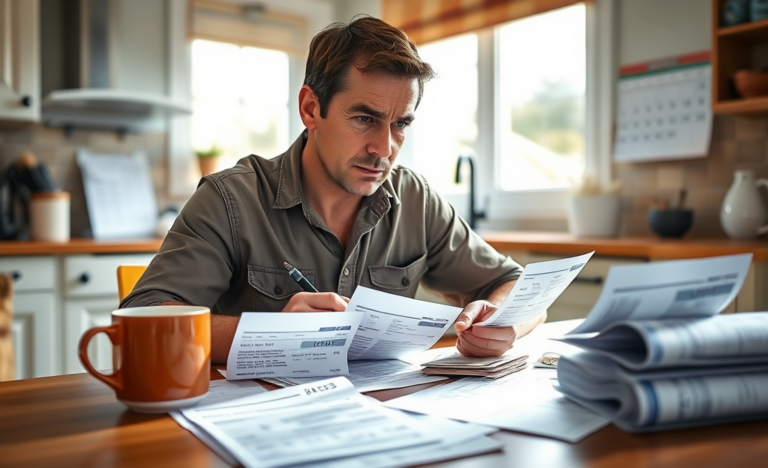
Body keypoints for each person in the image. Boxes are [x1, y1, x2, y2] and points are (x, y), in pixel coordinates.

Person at [121, 16, 546, 363]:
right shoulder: (230, 199)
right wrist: (272, 333)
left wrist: (502, 321)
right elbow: (139, 322)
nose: (384, 148)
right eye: (364, 118)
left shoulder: (415, 199)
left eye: (400, 124)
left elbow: (513, 284)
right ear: (311, 109)